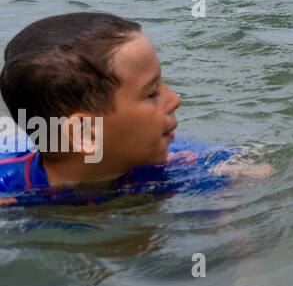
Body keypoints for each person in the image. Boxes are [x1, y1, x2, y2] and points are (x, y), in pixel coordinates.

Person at [0, 12, 267, 204]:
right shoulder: (10, 189)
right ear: (86, 133)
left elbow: (246, 168)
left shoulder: (177, 165)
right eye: (152, 93)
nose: (175, 99)